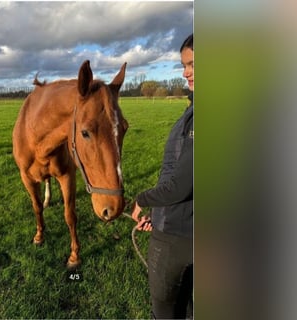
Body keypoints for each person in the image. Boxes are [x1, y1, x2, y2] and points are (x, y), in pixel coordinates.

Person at [131, 34, 194, 319]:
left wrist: (142, 199)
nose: (186, 73)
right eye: (184, 65)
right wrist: (157, 216)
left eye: (193, 64)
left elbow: (182, 184)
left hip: (177, 237)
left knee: (166, 311)